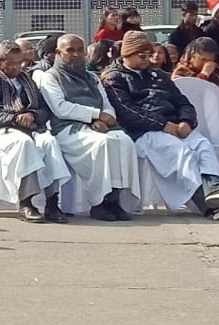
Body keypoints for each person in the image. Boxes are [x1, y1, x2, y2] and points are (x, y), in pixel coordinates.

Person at [104, 31, 219, 218]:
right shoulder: (114, 78)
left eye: (148, 54)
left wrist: (187, 121)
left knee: (202, 145)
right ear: (127, 55)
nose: (148, 59)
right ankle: (208, 204)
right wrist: (163, 125)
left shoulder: (158, 75)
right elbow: (127, 112)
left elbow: (183, 102)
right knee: (180, 153)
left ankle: (217, 189)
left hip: (174, 126)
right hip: (141, 132)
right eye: (142, 55)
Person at [38, 35, 142, 221]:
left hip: (98, 126)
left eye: (80, 50)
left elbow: (106, 103)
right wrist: (95, 115)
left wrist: (107, 118)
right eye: (70, 50)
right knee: (102, 143)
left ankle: (114, 200)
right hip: (68, 129)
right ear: (58, 53)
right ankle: (99, 203)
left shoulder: (92, 77)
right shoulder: (50, 77)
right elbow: (60, 108)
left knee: (124, 141)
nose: (76, 54)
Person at [0, 41, 72, 221]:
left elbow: (44, 109)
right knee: (23, 143)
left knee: (50, 142)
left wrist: (32, 115)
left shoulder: (27, 80)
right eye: (11, 63)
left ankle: (52, 203)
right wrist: (14, 119)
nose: (17, 67)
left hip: (30, 128)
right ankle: (26, 203)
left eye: (19, 62)